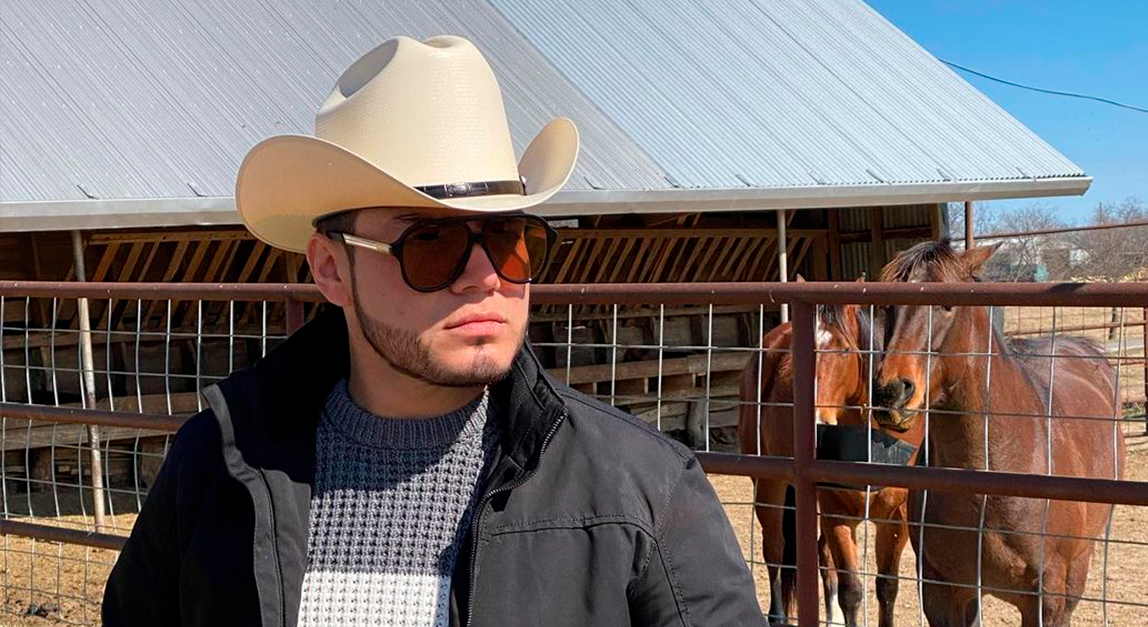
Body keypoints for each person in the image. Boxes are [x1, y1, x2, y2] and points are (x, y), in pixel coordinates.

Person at [102, 35, 764, 627]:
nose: (485, 276)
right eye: (430, 242)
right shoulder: (214, 466)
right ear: (330, 268)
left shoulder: (642, 486)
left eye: (510, 239)